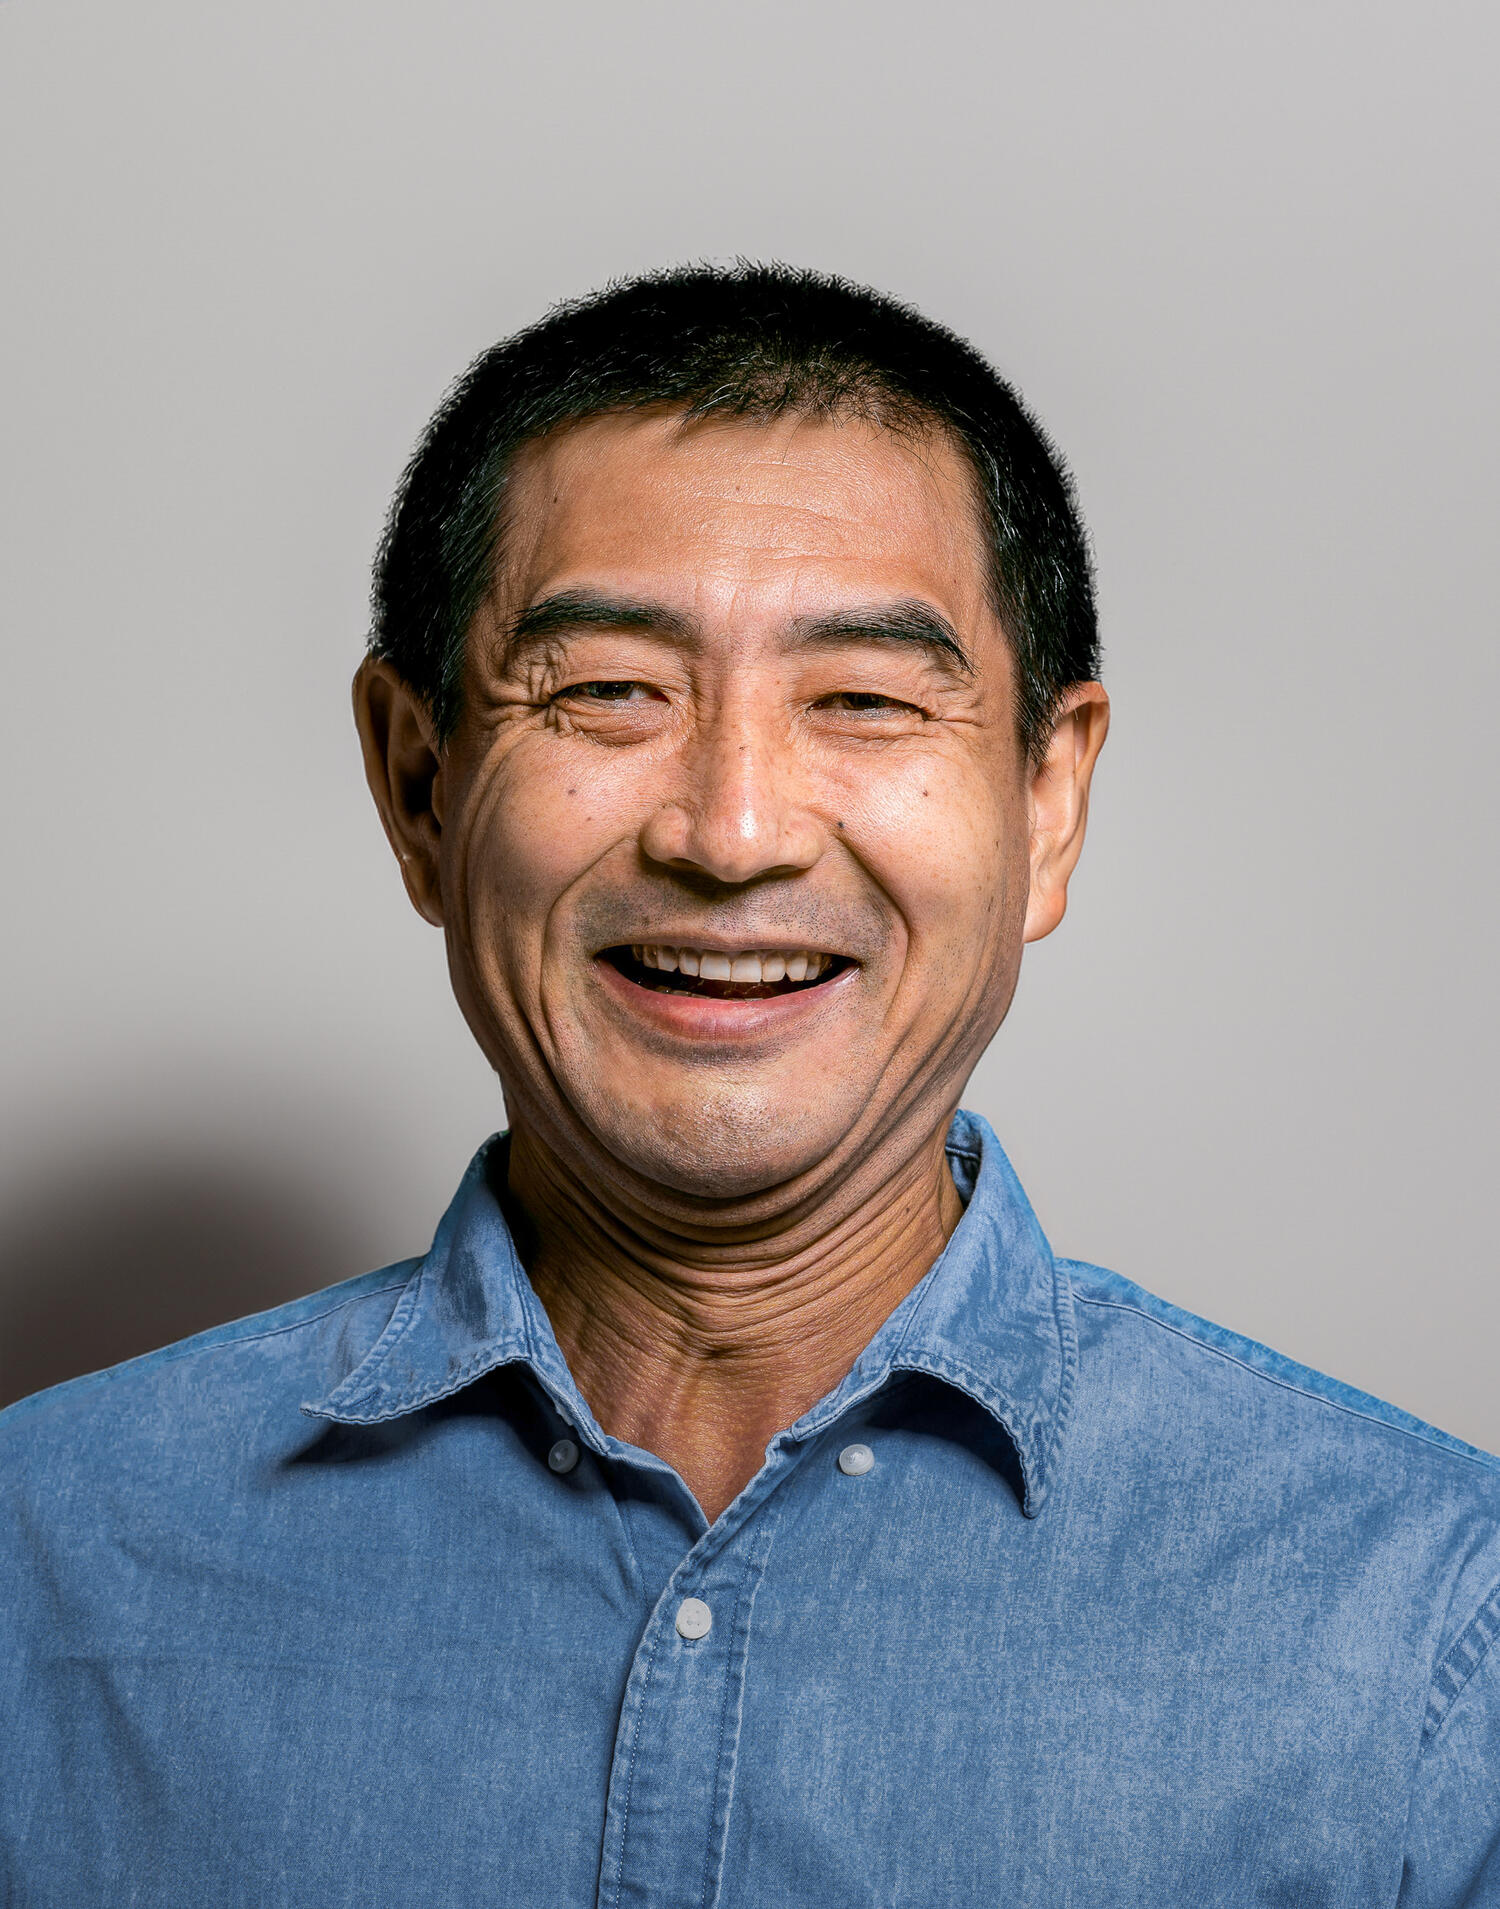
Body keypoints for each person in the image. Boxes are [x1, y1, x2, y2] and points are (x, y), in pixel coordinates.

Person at [2, 264, 1496, 1906]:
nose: (730, 831)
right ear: (418, 785)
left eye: (861, 699)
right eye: (608, 693)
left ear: (1049, 801)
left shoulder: (1421, 1622)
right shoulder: (41, 1565)